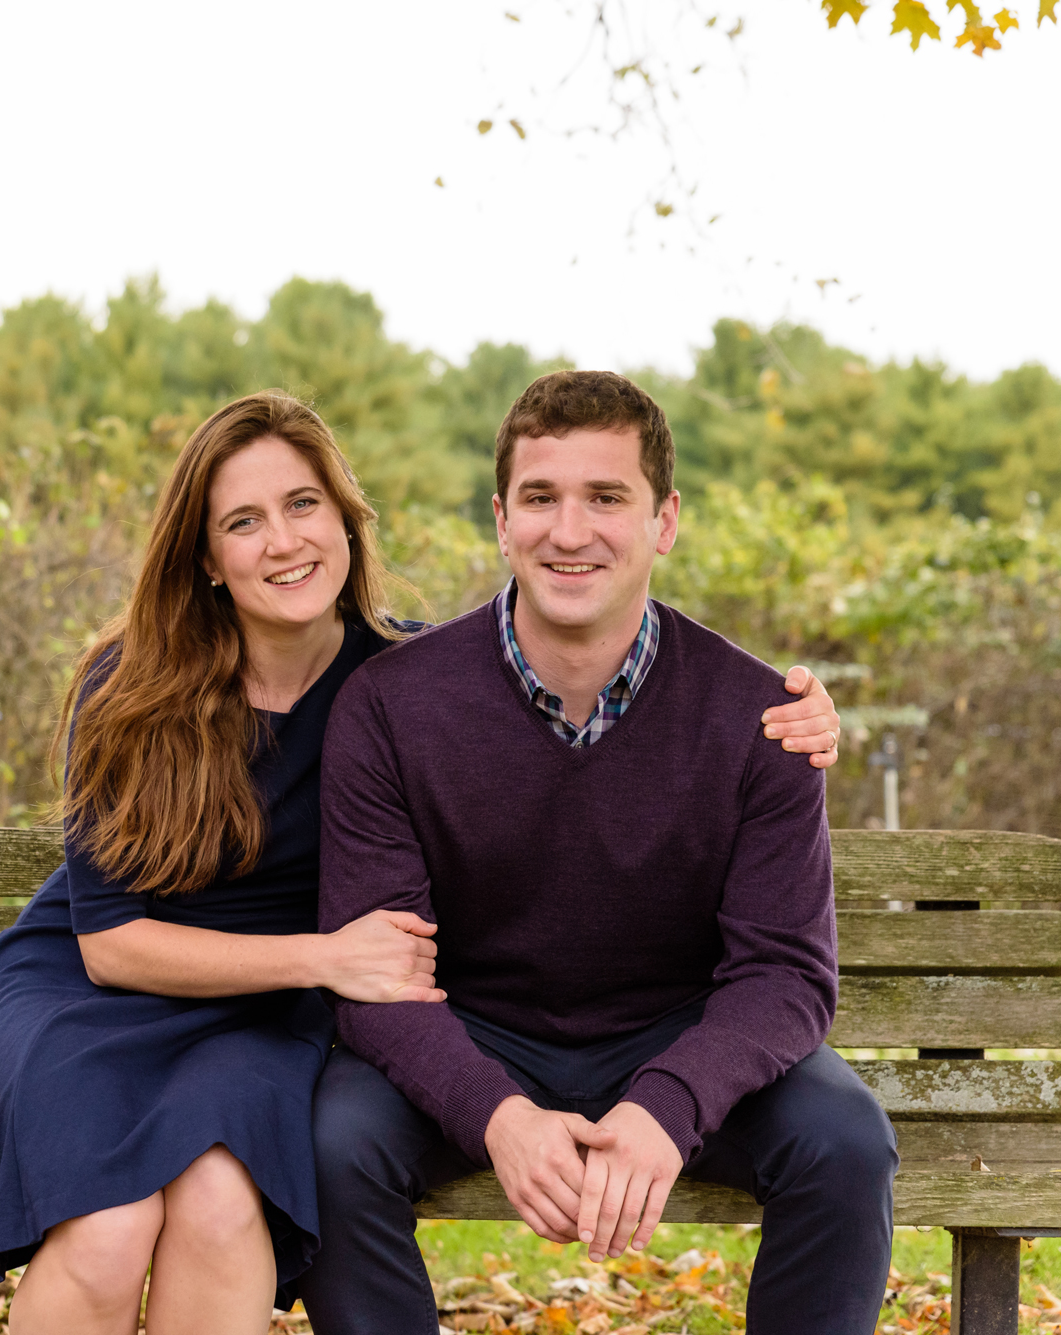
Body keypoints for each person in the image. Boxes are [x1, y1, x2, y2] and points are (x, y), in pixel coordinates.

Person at [0, 390, 844, 1335]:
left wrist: (800, 709)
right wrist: (327, 959)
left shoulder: (398, 680)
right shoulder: (132, 684)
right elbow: (111, 942)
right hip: (104, 990)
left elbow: (533, 675)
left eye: (303, 505)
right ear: (208, 557)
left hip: (258, 1021)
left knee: (220, 1206)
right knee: (105, 1229)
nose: (284, 540)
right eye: (243, 521)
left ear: (346, 520)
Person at [304, 370, 895, 1335]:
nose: (569, 532)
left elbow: (786, 974)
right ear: (501, 520)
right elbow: (375, 970)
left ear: (665, 521)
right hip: (475, 1028)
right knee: (332, 1142)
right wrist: (497, 1111)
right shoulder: (391, 707)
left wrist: (669, 1104)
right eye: (541, 498)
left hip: (678, 1033)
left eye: (606, 497)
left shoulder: (765, 719)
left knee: (845, 1141)